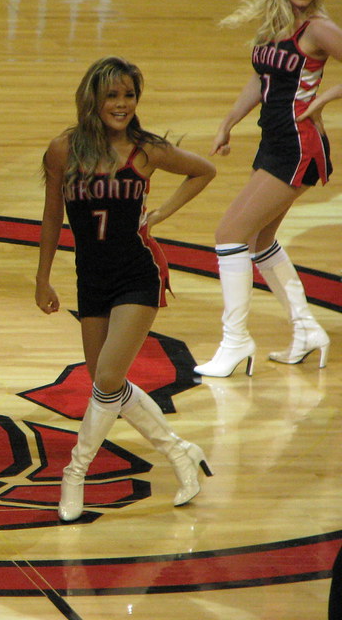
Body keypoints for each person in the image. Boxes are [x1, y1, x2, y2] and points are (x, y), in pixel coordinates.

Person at [35, 56, 217, 522]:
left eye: (129, 95)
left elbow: (203, 171)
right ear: (92, 97)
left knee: (108, 379)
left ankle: (75, 474)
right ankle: (181, 453)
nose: (121, 104)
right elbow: (53, 216)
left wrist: (162, 214)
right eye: (112, 95)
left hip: (138, 271)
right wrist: (42, 276)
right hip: (89, 277)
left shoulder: (146, 150)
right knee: (105, 383)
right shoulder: (63, 150)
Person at [196, 0, 339, 378]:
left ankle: (236, 341)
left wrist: (331, 95)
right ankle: (306, 329)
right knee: (257, 240)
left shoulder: (317, 28)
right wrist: (228, 122)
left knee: (230, 232)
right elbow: (261, 81)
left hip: (298, 144)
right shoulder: (275, 24)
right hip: (273, 139)